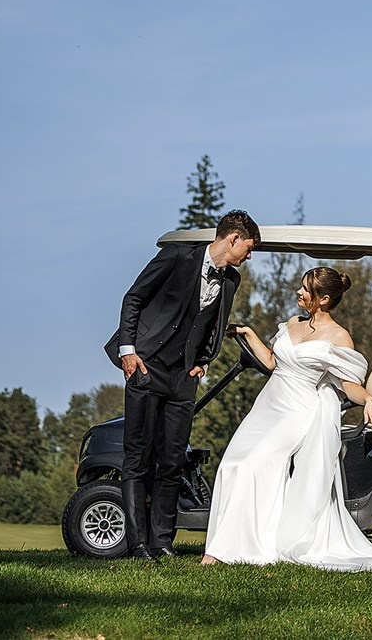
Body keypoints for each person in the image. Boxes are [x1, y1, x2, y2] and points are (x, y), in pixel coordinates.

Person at [202, 267, 372, 570]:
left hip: (298, 411)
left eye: (306, 290)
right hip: (268, 406)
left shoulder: (338, 336)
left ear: (323, 299)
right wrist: (248, 333)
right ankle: (235, 542)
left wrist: (369, 399)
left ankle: (221, 552)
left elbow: (348, 384)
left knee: (251, 465)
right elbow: (271, 363)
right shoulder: (293, 323)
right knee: (233, 463)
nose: (298, 292)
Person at [105, 208, 261, 559]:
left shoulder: (230, 281)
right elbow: (134, 298)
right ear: (232, 239)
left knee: (173, 460)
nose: (248, 256)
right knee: (138, 457)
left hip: (183, 378)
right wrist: (129, 353)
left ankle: (162, 541)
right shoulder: (175, 257)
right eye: (248, 248)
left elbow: (214, 324)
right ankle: (138, 544)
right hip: (146, 367)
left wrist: (204, 360)